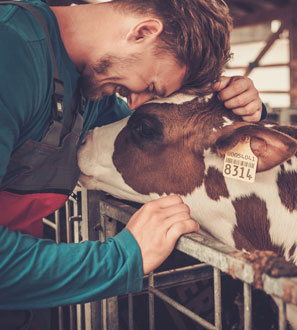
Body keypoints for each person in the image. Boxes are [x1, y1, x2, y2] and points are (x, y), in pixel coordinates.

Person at [0, 0, 265, 327]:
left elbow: (159, 146)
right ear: (143, 32)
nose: (137, 101)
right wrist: (124, 258)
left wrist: (244, 117)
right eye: (152, 87)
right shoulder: (9, 51)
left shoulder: (90, 88)